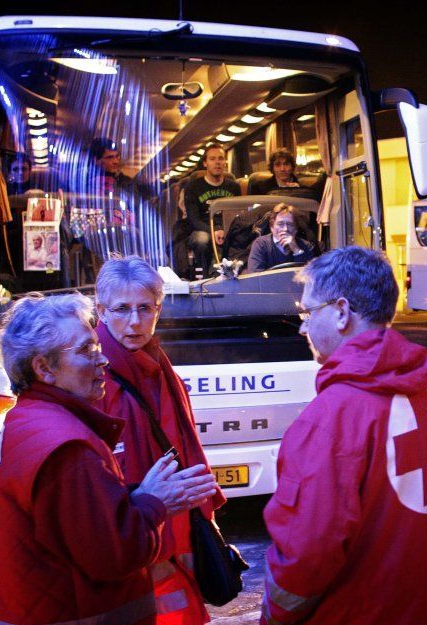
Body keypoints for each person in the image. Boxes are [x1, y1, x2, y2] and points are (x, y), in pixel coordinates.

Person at [0, 293, 218, 625]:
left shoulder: (28, 419)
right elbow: (117, 554)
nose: (103, 360)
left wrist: (134, 499)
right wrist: (154, 502)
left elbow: (73, 523)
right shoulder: (70, 446)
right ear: (44, 368)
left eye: (97, 345)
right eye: (85, 350)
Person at [261, 246, 427, 625]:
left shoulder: (329, 418)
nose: (303, 327)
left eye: (307, 312)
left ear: (341, 312)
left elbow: (306, 554)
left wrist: (273, 617)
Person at [94, 257, 227, 625]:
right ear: (100, 309)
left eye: (144, 308)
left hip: (173, 528)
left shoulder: (156, 362)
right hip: (137, 538)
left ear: (158, 309)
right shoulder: (92, 374)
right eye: (121, 309)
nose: (134, 322)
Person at [183, 145, 241, 275]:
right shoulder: (193, 187)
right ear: (205, 163)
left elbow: (239, 214)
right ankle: (208, 275)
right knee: (202, 240)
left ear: (225, 162)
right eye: (212, 159)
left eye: (221, 158)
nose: (217, 162)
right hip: (203, 228)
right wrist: (214, 231)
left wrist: (227, 230)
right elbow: (194, 220)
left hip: (228, 227)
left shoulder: (234, 186)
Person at [246, 203, 318, 273]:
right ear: (272, 227)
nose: (285, 229)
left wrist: (296, 250)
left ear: (296, 229)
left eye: (290, 224)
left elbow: (310, 277)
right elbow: (255, 277)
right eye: (280, 224)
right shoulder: (261, 244)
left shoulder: (306, 246)